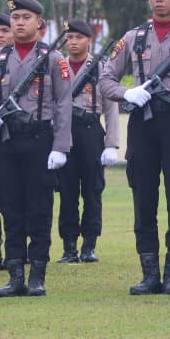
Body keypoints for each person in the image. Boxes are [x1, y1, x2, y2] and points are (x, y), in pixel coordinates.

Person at [98, 0, 170, 295]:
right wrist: (127, 93)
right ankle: (149, 274)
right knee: (143, 198)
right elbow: (106, 79)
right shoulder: (133, 37)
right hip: (143, 124)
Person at [0, 0, 73, 297]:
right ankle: (15, 273)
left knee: (39, 208)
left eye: (25, 18)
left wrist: (61, 146)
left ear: (39, 24)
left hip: (39, 138)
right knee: (10, 207)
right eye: (15, 18)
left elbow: (64, 103)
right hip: (6, 139)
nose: (18, 23)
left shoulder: (54, 59)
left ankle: (37, 274)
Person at [57, 18, 119, 264]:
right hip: (64, 132)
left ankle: (89, 245)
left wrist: (112, 144)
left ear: (89, 40)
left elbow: (111, 108)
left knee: (92, 190)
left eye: (78, 37)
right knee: (67, 190)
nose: (73, 42)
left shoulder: (101, 67)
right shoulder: (58, 66)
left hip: (91, 130)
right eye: (69, 38)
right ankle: (69, 246)